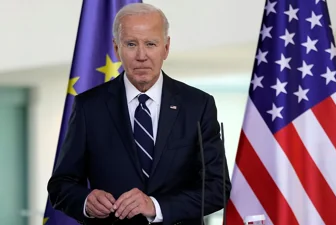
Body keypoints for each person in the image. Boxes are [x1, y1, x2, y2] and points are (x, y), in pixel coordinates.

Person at [47, 3, 231, 225]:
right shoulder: (89, 106)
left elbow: (217, 188)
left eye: (151, 44)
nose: (141, 55)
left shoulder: (198, 105)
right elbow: (60, 185)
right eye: (131, 44)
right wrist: (86, 201)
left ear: (166, 47)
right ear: (116, 48)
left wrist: (155, 206)